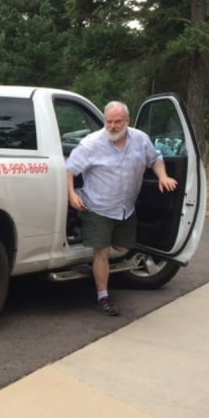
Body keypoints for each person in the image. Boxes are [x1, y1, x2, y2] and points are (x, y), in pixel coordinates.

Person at [65, 101, 178, 316]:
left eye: (117, 122)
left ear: (128, 121)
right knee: (102, 251)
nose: (112, 126)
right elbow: (69, 169)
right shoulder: (91, 144)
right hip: (96, 206)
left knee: (123, 248)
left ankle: (99, 254)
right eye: (108, 121)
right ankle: (103, 297)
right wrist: (71, 194)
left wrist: (162, 176)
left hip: (126, 208)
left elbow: (155, 158)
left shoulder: (140, 140)